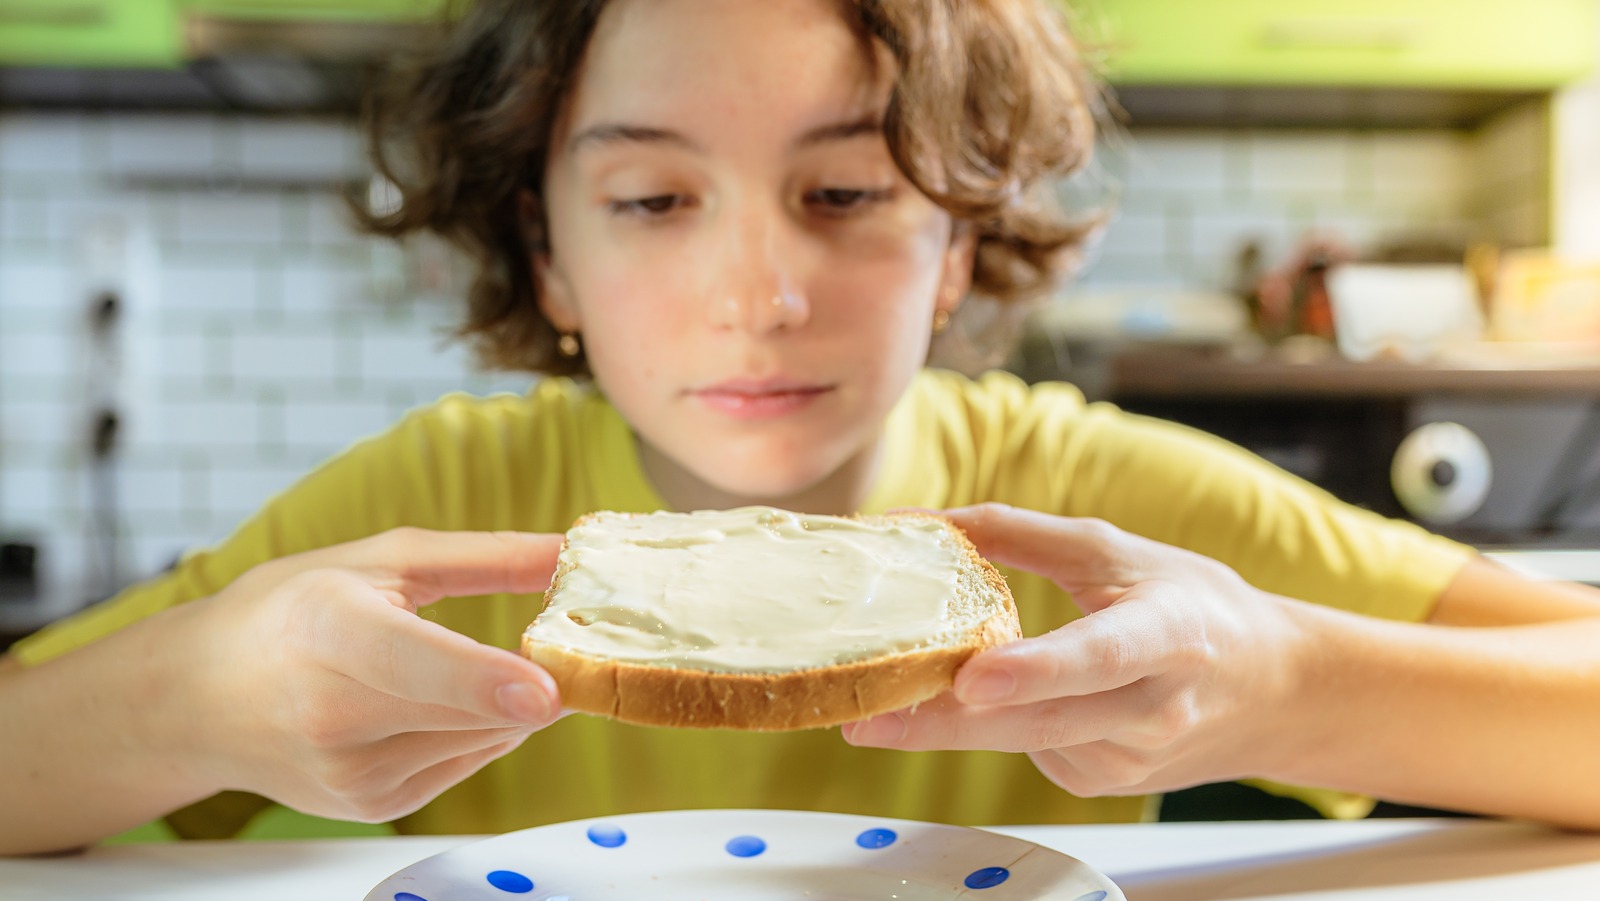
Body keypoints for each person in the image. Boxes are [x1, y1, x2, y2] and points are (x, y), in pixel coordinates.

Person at [3, 0, 1599, 858]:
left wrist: (1292, 686)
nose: (759, 292)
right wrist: (188, 698)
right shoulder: (440, 505)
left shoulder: (1085, 508)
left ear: (962, 242)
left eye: (845, 193)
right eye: (649, 199)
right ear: (547, 252)